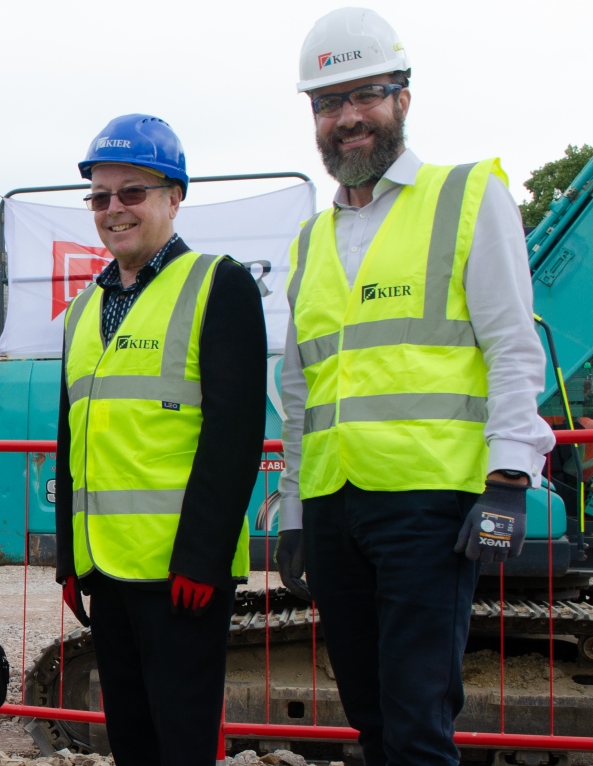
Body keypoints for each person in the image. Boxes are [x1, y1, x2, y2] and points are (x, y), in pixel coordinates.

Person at [274, 9, 556, 764]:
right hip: (335, 507)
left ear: (403, 96)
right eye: (329, 103)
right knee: (369, 718)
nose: (348, 117)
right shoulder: (311, 240)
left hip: (429, 506)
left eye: (365, 94)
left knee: (419, 719)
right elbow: (301, 389)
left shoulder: (467, 197)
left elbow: (510, 345)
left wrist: (508, 479)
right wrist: (296, 505)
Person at [53, 114, 267, 763]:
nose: (114, 209)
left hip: (180, 576)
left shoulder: (217, 285)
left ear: (174, 196)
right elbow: (73, 440)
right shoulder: (86, 308)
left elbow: (235, 435)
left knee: (182, 740)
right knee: (132, 739)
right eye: (100, 197)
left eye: (132, 192)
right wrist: (69, 556)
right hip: (106, 570)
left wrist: (201, 560)